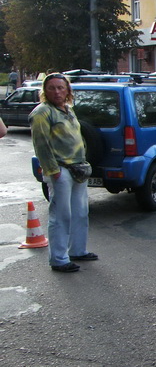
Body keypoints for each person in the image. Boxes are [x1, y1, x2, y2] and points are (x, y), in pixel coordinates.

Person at [29, 73, 97, 273]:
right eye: (52, 88)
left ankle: (78, 250)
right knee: (61, 215)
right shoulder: (42, 112)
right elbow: (41, 144)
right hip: (60, 170)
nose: (57, 92)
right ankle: (59, 259)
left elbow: (77, 137)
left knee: (80, 212)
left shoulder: (68, 109)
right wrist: (53, 171)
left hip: (78, 168)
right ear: (45, 91)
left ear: (67, 90)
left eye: (60, 88)